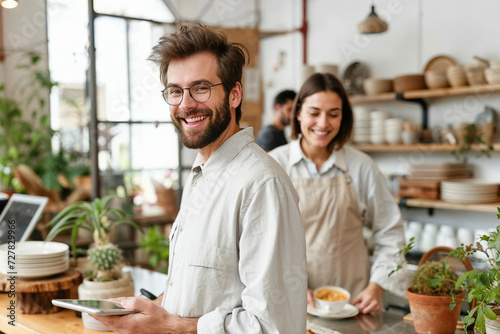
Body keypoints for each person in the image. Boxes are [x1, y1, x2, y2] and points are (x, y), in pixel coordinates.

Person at [92, 23, 307, 333]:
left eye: (201, 88)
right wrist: (152, 311)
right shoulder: (201, 175)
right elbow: (203, 291)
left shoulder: (262, 185)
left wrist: (169, 326)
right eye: (175, 91)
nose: (185, 104)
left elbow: (272, 325)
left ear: (234, 94)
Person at [269, 73, 406, 315]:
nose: (323, 124)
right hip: (290, 303)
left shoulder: (362, 167)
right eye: (314, 113)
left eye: (333, 114)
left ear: (343, 118)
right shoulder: (273, 166)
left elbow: (390, 231)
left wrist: (377, 286)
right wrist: (288, 283)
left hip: (354, 305)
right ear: (297, 113)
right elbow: (257, 240)